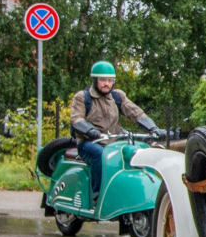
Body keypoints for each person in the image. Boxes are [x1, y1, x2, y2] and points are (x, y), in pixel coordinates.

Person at [70, 61, 164, 205]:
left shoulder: (117, 96)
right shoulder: (82, 97)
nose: (107, 84)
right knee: (100, 155)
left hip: (114, 143)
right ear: (95, 80)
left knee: (138, 152)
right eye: (102, 80)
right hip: (90, 142)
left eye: (110, 80)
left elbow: (135, 112)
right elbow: (76, 119)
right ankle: (98, 196)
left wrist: (153, 128)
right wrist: (90, 131)